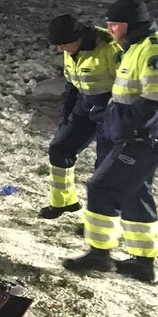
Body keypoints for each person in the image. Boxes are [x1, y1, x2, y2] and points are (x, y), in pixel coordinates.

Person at [63, 0, 158, 283]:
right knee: (135, 191)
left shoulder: (155, 51)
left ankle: (99, 253)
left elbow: (156, 101)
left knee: (101, 186)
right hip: (141, 137)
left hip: (143, 139)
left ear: (130, 24)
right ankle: (144, 262)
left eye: (114, 24)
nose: (109, 29)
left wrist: (130, 132)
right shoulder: (135, 47)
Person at [39, 14, 120, 219]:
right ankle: (64, 202)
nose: (60, 50)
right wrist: (67, 115)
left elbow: (130, 84)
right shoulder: (71, 46)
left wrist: (117, 115)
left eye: (63, 45)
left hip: (111, 109)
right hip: (85, 104)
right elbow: (72, 84)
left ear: (78, 38)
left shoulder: (110, 49)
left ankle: (100, 219)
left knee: (104, 166)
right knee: (59, 148)